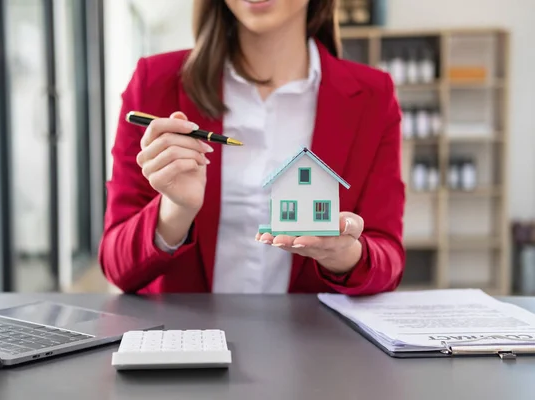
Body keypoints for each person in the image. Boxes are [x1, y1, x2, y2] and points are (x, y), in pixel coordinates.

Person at [99, 0, 406, 295]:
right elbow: (117, 266)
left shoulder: (373, 97)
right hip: (186, 340)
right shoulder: (154, 83)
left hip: (314, 341)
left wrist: (344, 255)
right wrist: (175, 210)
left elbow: (388, 260)